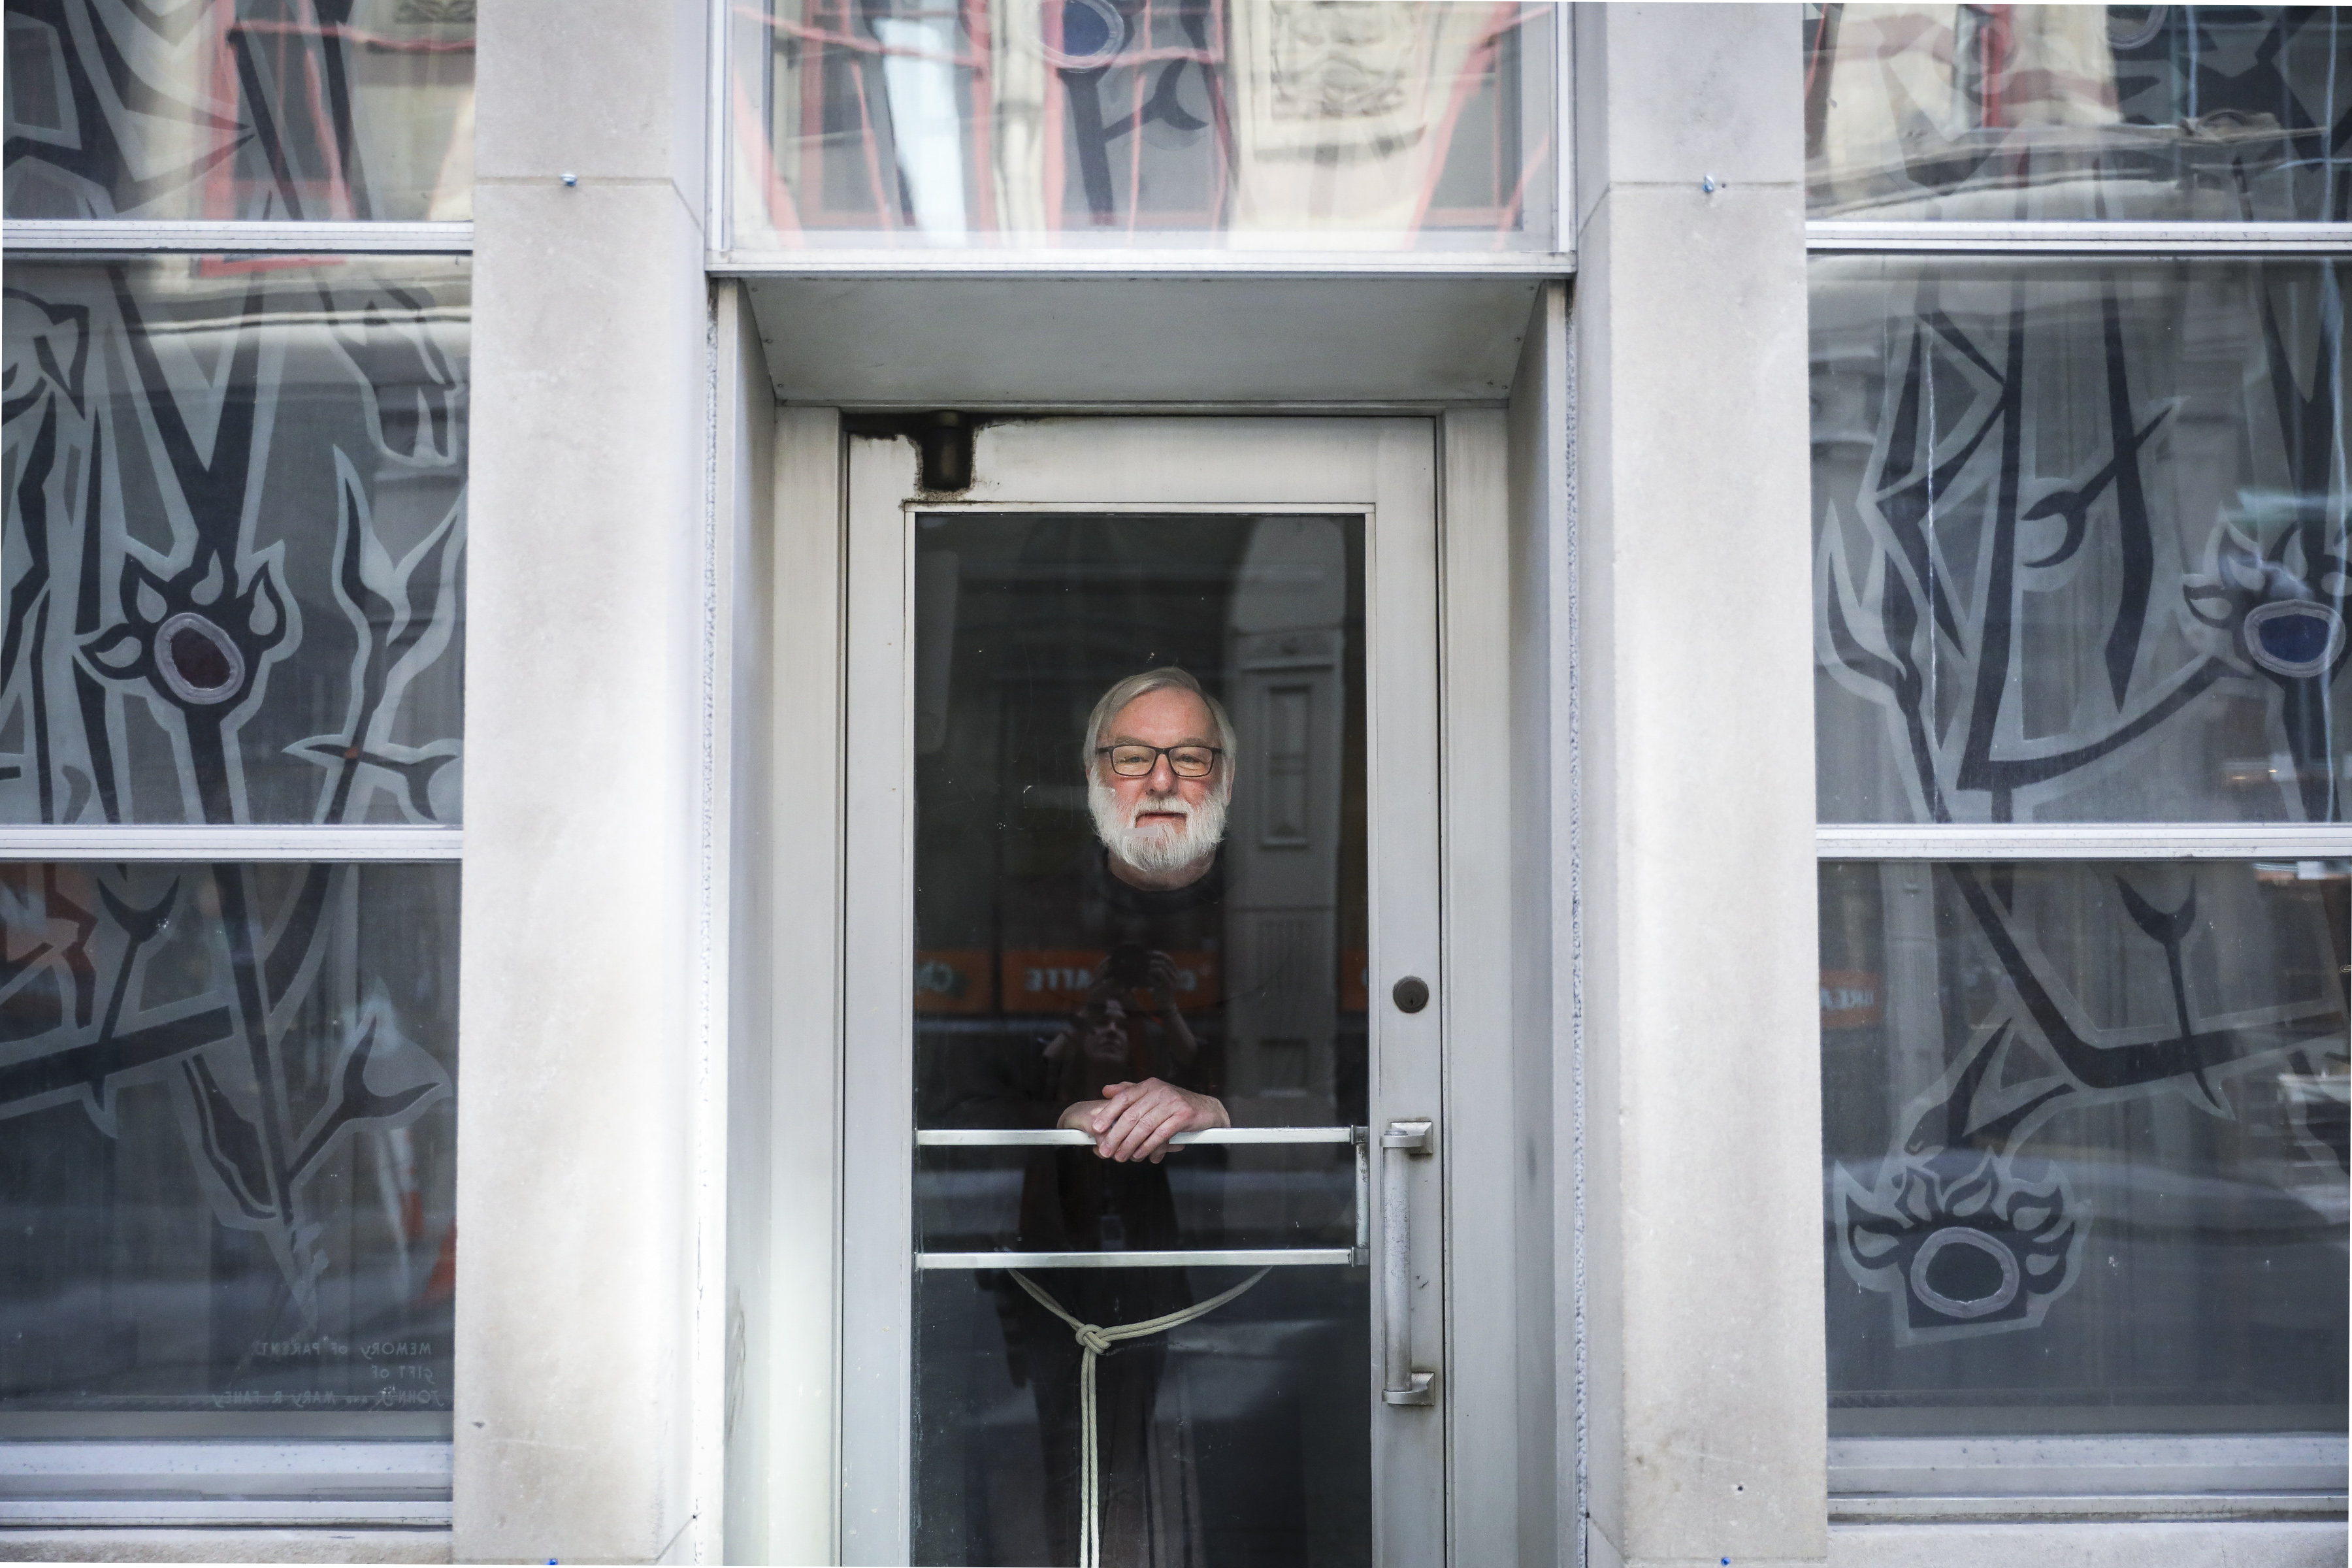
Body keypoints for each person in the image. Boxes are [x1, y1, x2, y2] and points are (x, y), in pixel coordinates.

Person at [935, 666, 1240, 1566]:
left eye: (1188, 758)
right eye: (1132, 757)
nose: (1159, 782)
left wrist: (1216, 1102)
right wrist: (1060, 1099)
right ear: (1093, 772)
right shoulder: (1019, 915)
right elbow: (946, 1092)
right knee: (1051, 1483)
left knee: (1234, 1497)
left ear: (1222, 776)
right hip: (1047, 1276)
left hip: (1255, 1269)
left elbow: (1370, 1084)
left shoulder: (1284, 911)